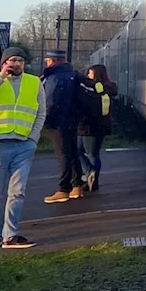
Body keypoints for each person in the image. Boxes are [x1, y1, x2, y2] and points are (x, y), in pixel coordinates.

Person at [0, 47, 46, 250]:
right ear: (3, 63)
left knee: (18, 192)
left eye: (20, 61)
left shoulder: (34, 82)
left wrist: (33, 139)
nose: (16, 64)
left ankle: (10, 236)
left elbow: (41, 112)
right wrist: (0, 78)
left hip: (23, 144)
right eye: (12, 60)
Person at [41, 49, 84, 203]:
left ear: (53, 61)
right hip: (72, 119)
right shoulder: (73, 75)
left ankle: (63, 189)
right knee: (72, 152)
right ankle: (77, 185)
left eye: (47, 61)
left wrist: (46, 120)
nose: (46, 63)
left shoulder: (55, 77)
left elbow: (51, 101)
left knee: (63, 154)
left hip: (58, 121)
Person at [77, 64, 118, 192]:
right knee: (83, 151)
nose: (88, 76)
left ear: (96, 74)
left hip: (89, 125)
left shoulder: (96, 88)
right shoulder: (109, 87)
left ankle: (91, 175)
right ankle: (90, 176)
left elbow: (89, 104)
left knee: (89, 153)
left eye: (90, 73)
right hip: (98, 125)